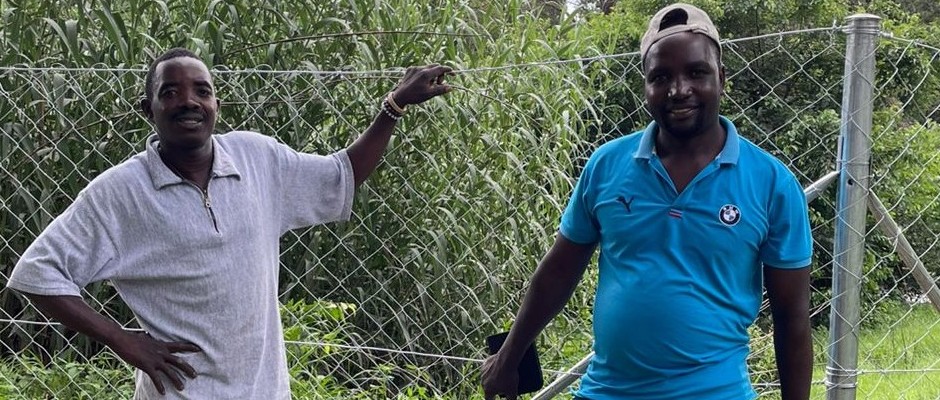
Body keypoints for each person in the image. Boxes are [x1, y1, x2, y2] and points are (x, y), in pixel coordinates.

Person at [6, 47, 452, 399]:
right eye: (170, 92)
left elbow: (342, 174)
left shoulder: (258, 158)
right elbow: (35, 273)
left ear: (216, 103)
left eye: (201, 90)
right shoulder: (120, 193)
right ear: (148, 108)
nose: (188, 102)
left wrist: (393, 106)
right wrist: (124, 341)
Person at [481, 3, 812, 400]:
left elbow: (791, 318)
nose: (678, 90)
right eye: (661, 77)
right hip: (606, 391)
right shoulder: (607, 165)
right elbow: (557, 274)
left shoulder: (771, 183)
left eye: (695, 72)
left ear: (721, 78)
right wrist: (510, 356)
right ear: (646, 85)